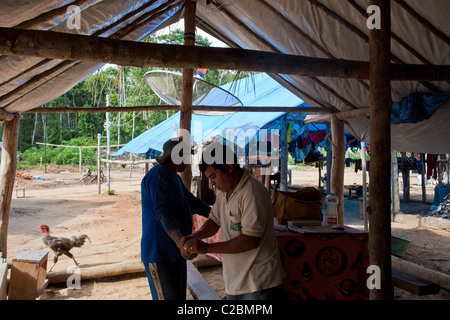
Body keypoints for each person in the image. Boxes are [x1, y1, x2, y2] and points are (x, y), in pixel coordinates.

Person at [182, 142, 285, 300]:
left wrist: (206, 248)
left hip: (260, 284)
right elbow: (214, 221)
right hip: (236, 283)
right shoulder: (225, 192)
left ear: (229, 167)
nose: (212, 183)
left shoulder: (252, 192)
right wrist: (194, 237)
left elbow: (250, 241)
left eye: (213, 176)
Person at [140, 137, 211, 300]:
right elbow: (163, 213)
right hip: (160, 253)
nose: (188, 159)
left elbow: (193, 203)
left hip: (176, 252)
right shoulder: (158, 177)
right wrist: (181, 241)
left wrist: (219, 215)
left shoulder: (174, 178)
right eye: (187, 155)